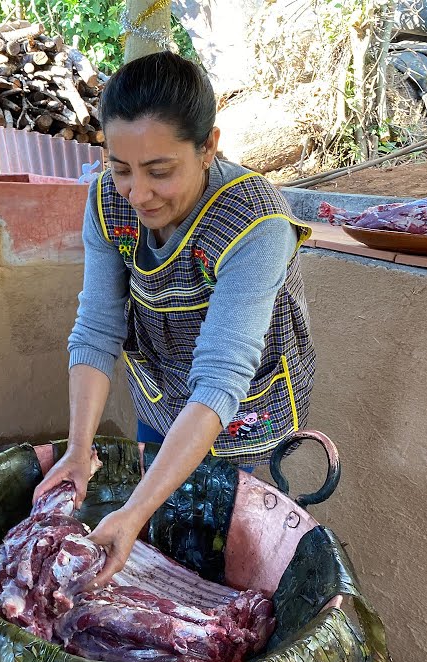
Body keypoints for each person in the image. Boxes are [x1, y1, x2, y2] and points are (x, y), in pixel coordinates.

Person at [39, 50, 316, 590]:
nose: (137, 194)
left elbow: (220, 379)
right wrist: (77, 450)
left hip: (239, 401)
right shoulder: (108, 201)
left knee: (212, 536)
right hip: (163, 384)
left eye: (160, 172)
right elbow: (97, 329)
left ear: (208, 146)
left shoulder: (256, 224)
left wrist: (133, 513)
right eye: (121, 168)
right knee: (152, 513)